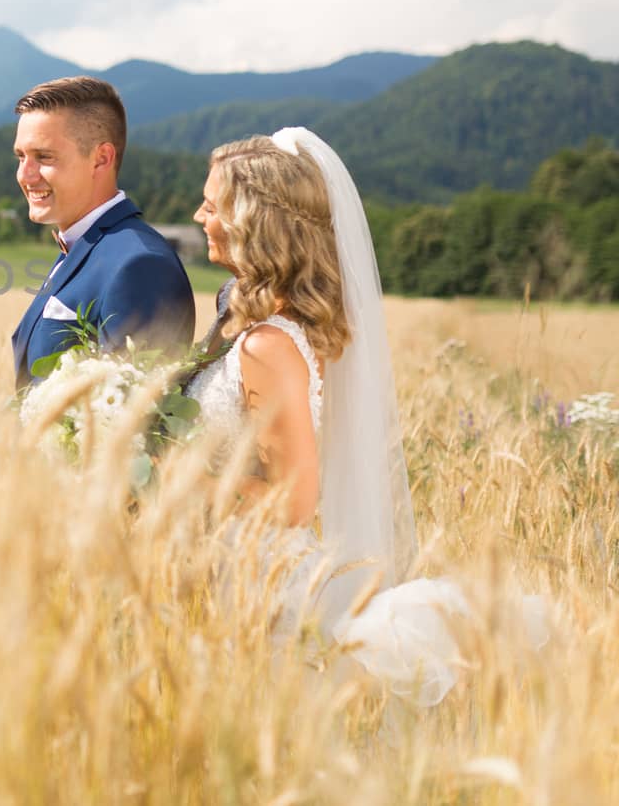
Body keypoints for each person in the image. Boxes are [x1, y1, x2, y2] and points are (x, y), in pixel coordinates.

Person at [186, 127, 546, 706]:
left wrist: (169, 474)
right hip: (244, 567)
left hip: (256, 580)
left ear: (253, 220)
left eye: (213, 203)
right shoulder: (291, 328)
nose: (200, 213)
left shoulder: (267, 346)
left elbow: (294, 502)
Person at [10, 77, 195, 387]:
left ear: (101, 158)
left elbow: (136, 419)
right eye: (20, 156)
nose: (24, 175)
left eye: (44, 157)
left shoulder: (141, 265)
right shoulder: (81, 246)